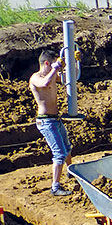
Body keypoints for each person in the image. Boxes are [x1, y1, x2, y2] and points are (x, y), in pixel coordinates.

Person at [29, 49, 73, 197]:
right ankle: (55, 187)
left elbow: (71, 77)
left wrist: (75, 63)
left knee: (67, 148)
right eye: (54, 63)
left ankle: (72, 172)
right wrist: (55, 68)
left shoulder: (53, 75)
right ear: (47, 63)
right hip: (46, 122)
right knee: (59, 153)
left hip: (55, 119)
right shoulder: (36, 78)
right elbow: (45, 83)